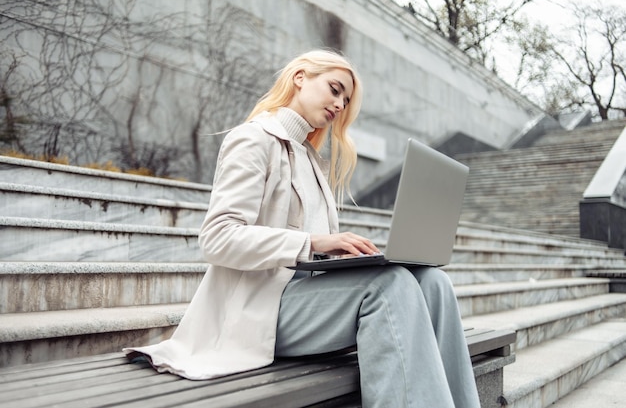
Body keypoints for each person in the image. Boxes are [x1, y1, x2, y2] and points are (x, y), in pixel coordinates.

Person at [124, 49, 480, 408]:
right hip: (259, 312)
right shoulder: (253, 139)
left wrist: (342, 254)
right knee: (389, 285)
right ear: (300, 78)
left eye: (346, 99)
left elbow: (309, 254)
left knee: (433, 282)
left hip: (307, 305)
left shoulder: (311, 160)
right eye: (335, 89)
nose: (340, 104)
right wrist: (313, 241)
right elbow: (218, 237)